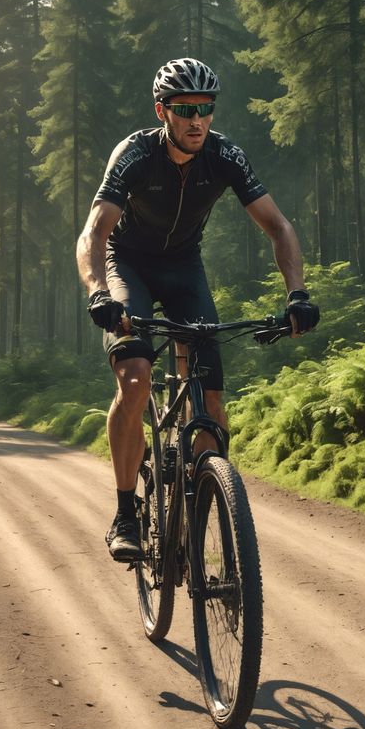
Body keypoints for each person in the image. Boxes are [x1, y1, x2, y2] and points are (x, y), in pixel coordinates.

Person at [76, 57, 319, 563]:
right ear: (162, 110)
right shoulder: (135, 155)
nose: (197, 120)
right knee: (137, 377)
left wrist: (297, 294)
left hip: (184, 269)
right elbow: (95, 233)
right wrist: (98, 292)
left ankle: (200, 498)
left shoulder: (225, 155)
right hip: (129, 266)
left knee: (210, 410)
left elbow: (280, 227)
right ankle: (125, 513)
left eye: (205, 109)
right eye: (185, 109)